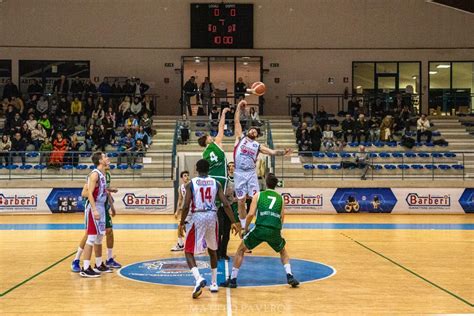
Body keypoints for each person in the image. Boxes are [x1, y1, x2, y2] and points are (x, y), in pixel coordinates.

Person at [221, 173, 299, 288]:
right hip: (274, 230)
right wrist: (278, 230)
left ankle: (233, 279)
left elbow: (251, 214)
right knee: (283, 251)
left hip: (260, 229)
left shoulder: (259, 195)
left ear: (265, 183)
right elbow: (282, 217)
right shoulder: (280, 198)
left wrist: (245, 229)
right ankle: (290, 275)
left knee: (241, 250)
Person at [178, 159, 241, 298]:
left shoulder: (191, 184)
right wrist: (234, 222)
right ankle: (213, 283)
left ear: (196, 169)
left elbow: (186, 205)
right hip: (213, 216)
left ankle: (199, 278)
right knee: (213, 250)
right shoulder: (216, 183)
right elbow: (225, 204)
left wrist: (182, 222)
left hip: (198, 216)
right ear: (209, 169)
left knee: (188, 251)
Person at [233, 100, 292, 230]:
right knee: (241, 201)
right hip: (239, 173)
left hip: (251, 173)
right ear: (248, 131)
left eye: (255, 132)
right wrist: (238, 107)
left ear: (257, 136)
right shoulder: (240, 138)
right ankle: (244, 227)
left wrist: (283, 152)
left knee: (256, 199)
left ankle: (261, 223)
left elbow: (272, 152)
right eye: (252, 130)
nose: (253, 131)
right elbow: (236, 122)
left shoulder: (258, 146)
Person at [71, 162, 121, 273]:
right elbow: (84, 192)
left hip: (104, 208)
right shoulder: (94, 175)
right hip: (94, 207)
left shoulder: (106, 175)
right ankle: (76, 259)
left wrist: (111, 205)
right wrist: (94, 204)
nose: (109, 162)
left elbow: (104, 191)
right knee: (89, 235)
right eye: (106, 159)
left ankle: (107, 260)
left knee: (107, 232)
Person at [79, 152, 111, 278]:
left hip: (101, 207)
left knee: (99, 237)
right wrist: (94, 209)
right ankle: (85, 268)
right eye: (104, 157)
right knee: (91, 238)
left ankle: (98, 264)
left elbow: (99, 191)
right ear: (99, 161)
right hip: (94, 208)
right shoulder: (94, 175)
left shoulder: (103, 174)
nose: (107, 158)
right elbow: (89, 193)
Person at [198, 107, 231, 195]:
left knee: (211, 201)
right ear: (206, 140)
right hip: (221, 177)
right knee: (222, 201)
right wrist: (223, 113)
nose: (210, 136)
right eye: (208, 136)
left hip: (210, 178)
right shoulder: (216, 142)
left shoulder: (203, 154)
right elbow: (221, 127)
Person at [217, 162, 238, 260]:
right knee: (219, 231)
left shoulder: (238, 180)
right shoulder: (223, 179)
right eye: (229, 166)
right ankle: (217, 253)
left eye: (233, 166)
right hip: (220, 208)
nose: (231, 168)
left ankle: (223, 252)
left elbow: (238, 195)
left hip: (229, 207)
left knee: (227, 233)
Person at [171, 171, 190, 251]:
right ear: (182, 178)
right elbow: (180, 200)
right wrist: (177, 211)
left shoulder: (192, 185)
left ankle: (182, 244)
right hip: (186, 210)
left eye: (187, 175)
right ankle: (181, 244)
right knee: (181, 226)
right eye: (185, 175)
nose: (187, 177)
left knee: (186, 227)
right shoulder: (181, 187)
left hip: (193, 210)